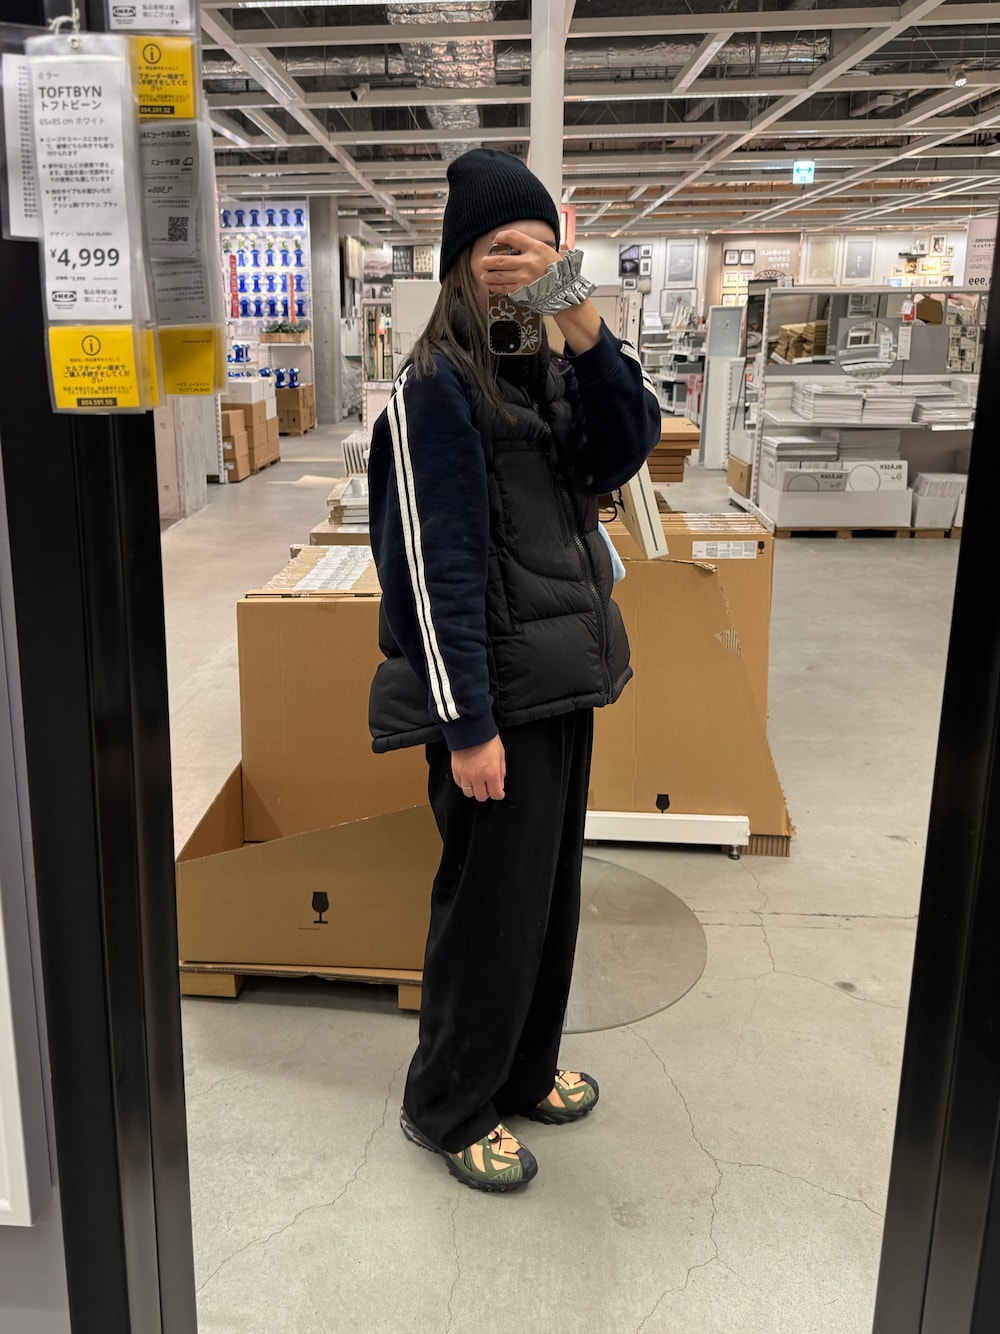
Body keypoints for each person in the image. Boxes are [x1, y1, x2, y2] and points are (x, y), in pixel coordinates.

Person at [367, 147, 661, 1193]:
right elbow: (428, 572)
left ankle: (524, 1071)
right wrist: (467, 726)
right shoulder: (432, 390)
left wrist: (582, 322)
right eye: (502, 247)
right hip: (492, 701)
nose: (523, 263)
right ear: (462, 264)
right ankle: (447, 1102)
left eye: (541, 247)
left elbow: (625, 449)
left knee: (544, 901)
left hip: (560, 678)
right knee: (487, 913)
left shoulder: (550, 369)